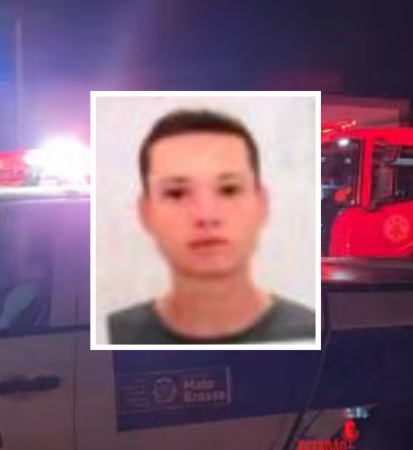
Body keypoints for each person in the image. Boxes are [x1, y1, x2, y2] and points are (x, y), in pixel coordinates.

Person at [108, 109, 315, 344]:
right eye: (176, 193)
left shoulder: (312, 333)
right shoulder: (110, 337)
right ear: (145, 212)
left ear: (262, 204)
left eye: (229, 190)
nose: (206, 215)